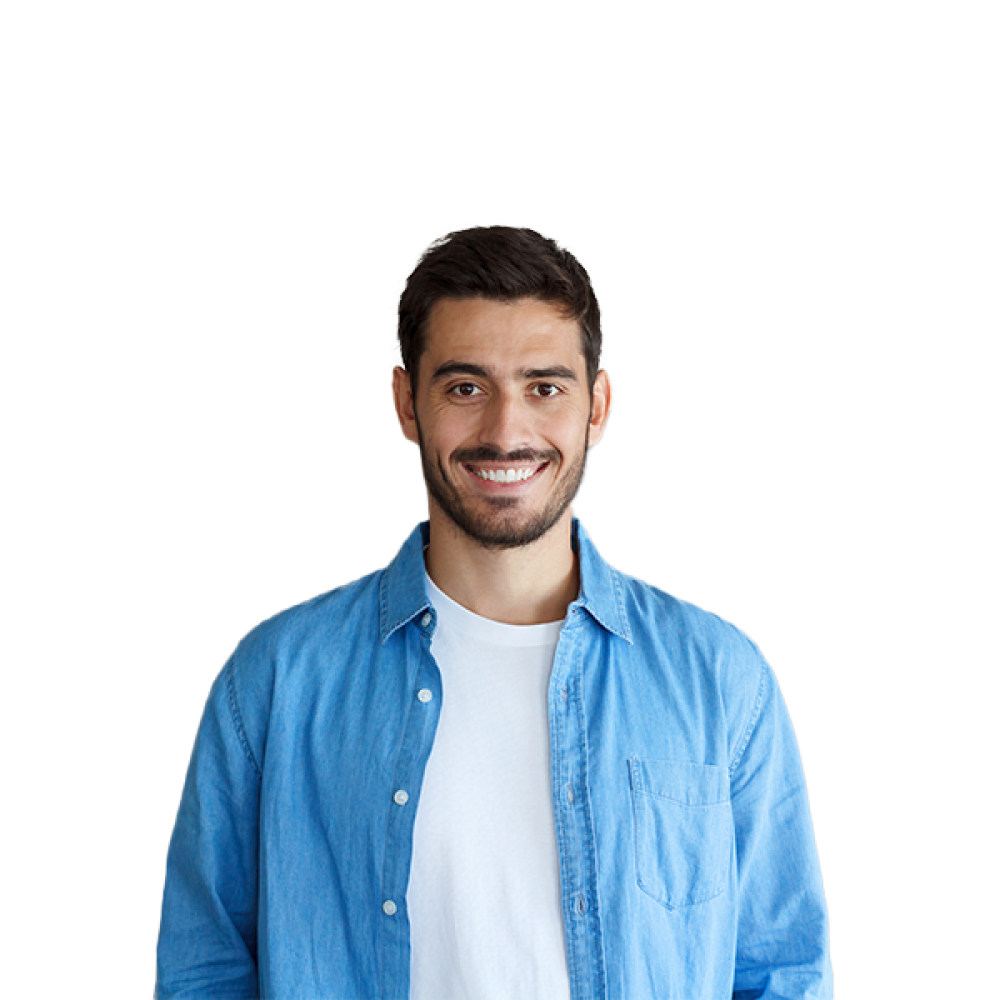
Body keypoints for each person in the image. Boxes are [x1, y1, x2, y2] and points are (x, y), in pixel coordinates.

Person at [154, 224, 834, 999]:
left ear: (598, 406)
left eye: (544, 387)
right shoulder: (275, 681)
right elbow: (202, 974)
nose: (506, 432)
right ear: (406, 402)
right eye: (465, 387)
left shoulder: (722, 679)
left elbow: (782, 976)